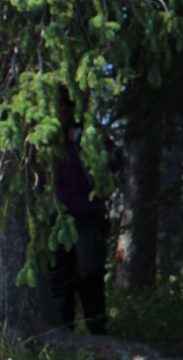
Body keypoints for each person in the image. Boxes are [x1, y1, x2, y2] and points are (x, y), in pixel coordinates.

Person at [49, 93, 117, 335]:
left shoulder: (88, 134)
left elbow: (115, 160)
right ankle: (61, 333)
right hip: (56, 218)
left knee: (90, 277)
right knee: (59, 280)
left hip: (89, 215)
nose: (63, 113)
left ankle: (98, 332)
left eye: (67, 108)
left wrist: (79, 139)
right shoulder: (44, 137)